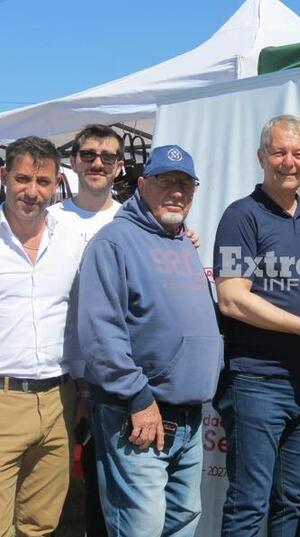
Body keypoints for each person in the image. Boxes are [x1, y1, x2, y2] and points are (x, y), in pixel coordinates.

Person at [71, 144, 223, 537]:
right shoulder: (114, 242)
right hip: (138, 414)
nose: (177, 191)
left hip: (187, 416)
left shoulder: (181, 242)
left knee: (181, 523)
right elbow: (101, 332)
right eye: (166, 181)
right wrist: (138, 399)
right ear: (142, 185)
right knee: (140, 527)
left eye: (185, 184)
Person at [213, 115, 300, 537]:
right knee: (249, 505)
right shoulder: (242, 216)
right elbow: (233, 298)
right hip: (256, 380)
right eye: (278, 152)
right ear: (262, 157)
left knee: (292, 500)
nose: (288, 162)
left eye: (297, 153)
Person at [0, 136, 86, 536]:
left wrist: (183, 235)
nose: (31, 192)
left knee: (41, 524)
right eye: (22, 179)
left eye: (43, 182)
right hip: (3, 399)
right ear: (5, 177)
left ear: (56, 185)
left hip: (58, 400)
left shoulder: (72, 239)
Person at [51, 123, 125, 537]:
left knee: (106, 484)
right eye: (89, 154)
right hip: (57, 373)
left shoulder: (133, 220)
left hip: (110, 376)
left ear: (119, 167)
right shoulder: (49, 218)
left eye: (107, 157)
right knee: (47, 483)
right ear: (75, 160)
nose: (98, 162)